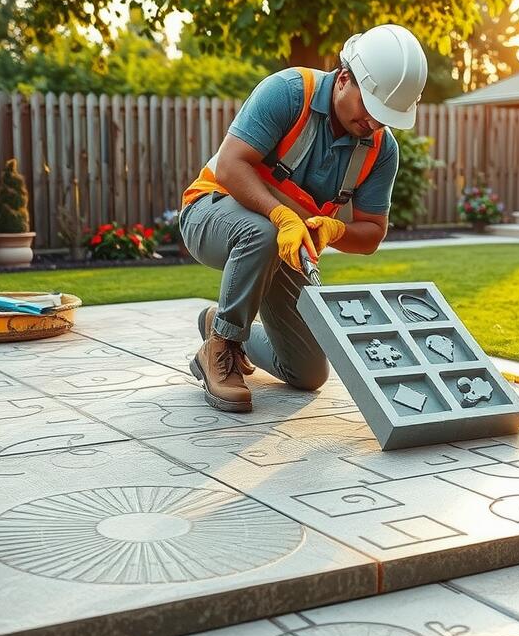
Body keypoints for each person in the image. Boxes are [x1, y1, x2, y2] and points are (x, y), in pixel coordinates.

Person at [178, 24, 429, 413]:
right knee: (262, 231)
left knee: (308, 373)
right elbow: (230, 165)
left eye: (385, 118)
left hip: (285, 246)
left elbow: (372, 233)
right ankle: (220, 346)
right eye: (371, 109)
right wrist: (281, 215)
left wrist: (335, 229)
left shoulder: (381, 151)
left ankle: (224, 321)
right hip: (211, 212)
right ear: (345, 78)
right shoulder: (289, 92)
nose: (374, 124)